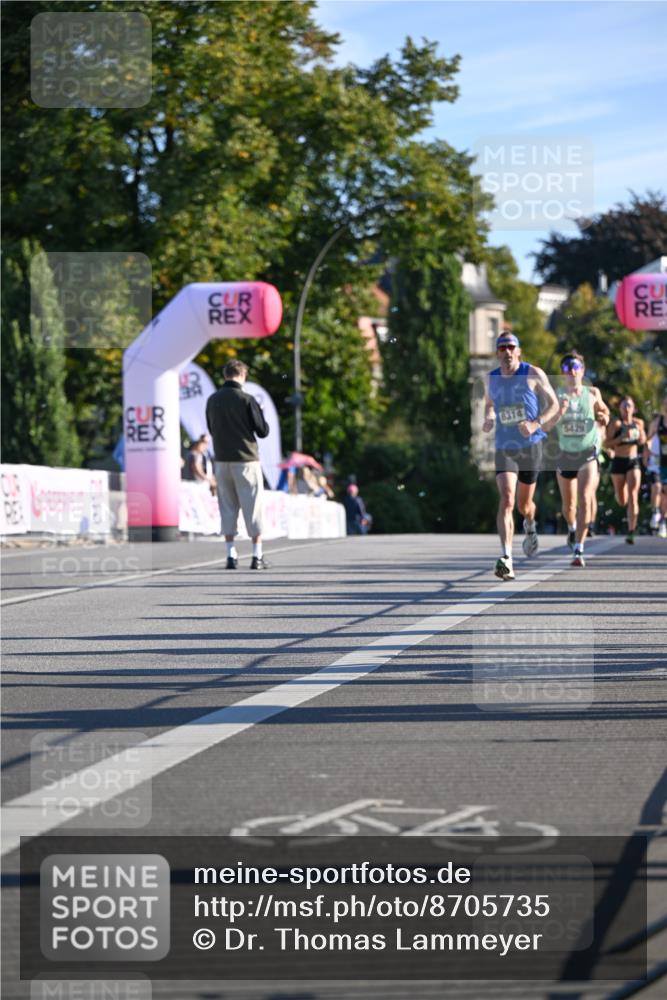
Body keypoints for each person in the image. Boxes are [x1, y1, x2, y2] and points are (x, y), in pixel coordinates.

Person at [483, 332, 559, 581]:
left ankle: (530, 523)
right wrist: (490, 418)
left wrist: (536, 424)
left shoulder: (532, 373)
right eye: (502, 347)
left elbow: (554, 404)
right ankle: (506, 558)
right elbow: (490, 404)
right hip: (505, 446)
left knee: (524, 506)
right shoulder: (491, 379)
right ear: (497, 352)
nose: (506, 351)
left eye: (510, 346)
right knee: (506, 499)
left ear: (518, 350)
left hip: (530, 446)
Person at [205, 359, 270, 569]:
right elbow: (262, 431)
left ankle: (231, 555)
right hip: (246, 460)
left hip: (222, 460)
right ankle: (256, 556)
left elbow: (212, 429)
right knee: (253, 507)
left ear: (225, 375)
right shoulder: (247, 399)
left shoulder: (212, 400)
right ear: (243, 375)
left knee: (227, 507)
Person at [547, 351, 609, 567]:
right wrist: (559, 412)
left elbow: (605, 411)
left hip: (587, 453)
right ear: (562, 373)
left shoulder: (592, 393)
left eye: (575, 366)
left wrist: (603, 416)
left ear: (582, 370)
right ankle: (572, 528)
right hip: (566, 454)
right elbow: (548, 423)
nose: (571, 371)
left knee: (584, 497)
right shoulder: (557, 394)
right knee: (568, 506)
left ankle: (579, 549)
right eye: (566, 367)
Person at [605, 396, 646, 544]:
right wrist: (622, 436)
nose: (627, 408)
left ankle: (631, 530)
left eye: (629, 406)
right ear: (620, 408)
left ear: (634, 409)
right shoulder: (616, 424)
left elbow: (644, 440)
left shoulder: (638, 423)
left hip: (633, 460)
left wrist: (642, 438)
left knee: (633, 495)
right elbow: (607, 443)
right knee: (622, 500)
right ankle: (621, 496)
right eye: (624, 406)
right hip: (618, 462)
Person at [646, 395, 667, 537]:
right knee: (657, 487)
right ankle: (655, 512)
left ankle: (663, 521)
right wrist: (648, 452)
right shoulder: (657, 422)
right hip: (659, 462)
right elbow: (647, 440)